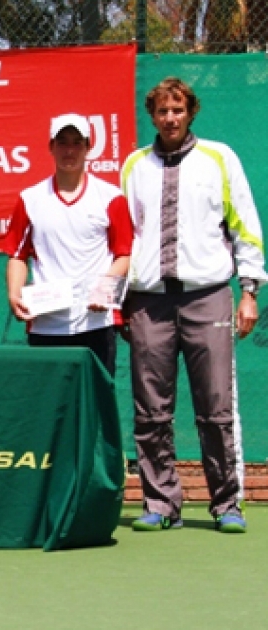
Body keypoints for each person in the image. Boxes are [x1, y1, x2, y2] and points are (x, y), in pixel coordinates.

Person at [121, 77, 268, 534]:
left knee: (217, 406)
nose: (170, 118)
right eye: (162, 111)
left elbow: (245, 223)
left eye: (178, 110)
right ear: (152, 115)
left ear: (191, 112)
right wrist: (121, 299)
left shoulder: (220, 158)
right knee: (150, 410)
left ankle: (227, 505)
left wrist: (249, 290)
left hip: (208, 297)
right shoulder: (134, 165)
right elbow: (125, 237)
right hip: (148, 304)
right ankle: (161, 504)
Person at [4, 114, 133, 375]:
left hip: (96, 324)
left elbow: (124, 254)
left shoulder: (111, 197)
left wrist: (104, 288)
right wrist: (15, 293)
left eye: (77, 142)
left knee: (95, 405)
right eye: (62, 142)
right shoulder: (30, 199)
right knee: (51, 408)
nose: (70, 150)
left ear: (88, 148)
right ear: (51, 147)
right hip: (46, 325)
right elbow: (18, 255)